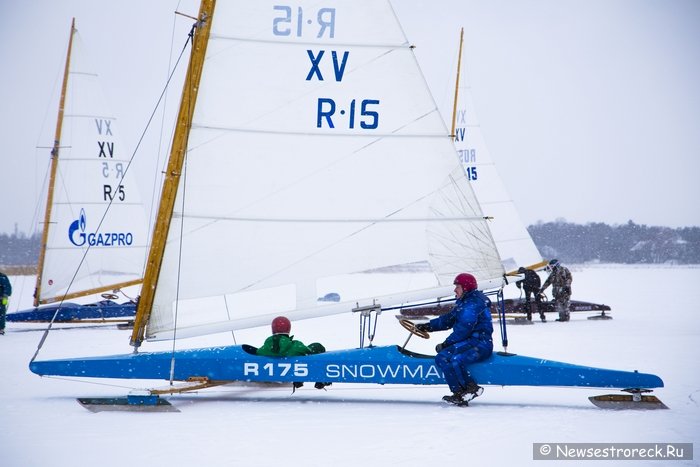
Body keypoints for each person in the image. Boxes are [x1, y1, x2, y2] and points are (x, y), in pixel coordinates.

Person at [415, 273, 493, 406]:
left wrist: (446, 344)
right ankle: (459, 393)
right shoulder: (465, 301)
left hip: (480, 343)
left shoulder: (472, 304)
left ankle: (471, 388)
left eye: (457, 286)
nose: (455, 290)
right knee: (442, 358)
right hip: (470, 341)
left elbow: (464, 328)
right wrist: (428, 326)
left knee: (454, 359)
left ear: (466, 287)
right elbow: (449, 319)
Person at [256, 316, 328, 390]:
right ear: (288, 329)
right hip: (293, 371)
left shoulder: (264, 349)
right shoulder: (296, 347)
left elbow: (257, 353)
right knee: (316, 346)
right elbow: (307, 351)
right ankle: (320, 379)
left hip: (271, 372)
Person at [0, 270, 12, 335]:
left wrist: (5, 295)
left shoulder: (2, 277)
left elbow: (8, 288)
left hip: (1, 300)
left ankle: (1, 329)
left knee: (1, 314)